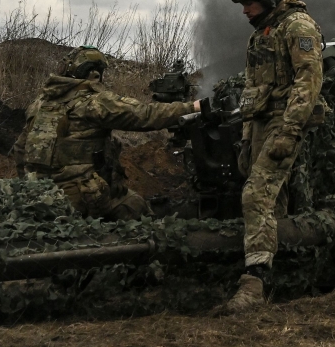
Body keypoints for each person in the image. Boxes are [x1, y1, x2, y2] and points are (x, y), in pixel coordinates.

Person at [222, 0, 323, 313]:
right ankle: (286, 275)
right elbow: (253, 91)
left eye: (249, 3)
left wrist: (290, 131)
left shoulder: (297, 27)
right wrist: (246, 139)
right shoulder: (261, 34)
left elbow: (308, 81)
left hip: (284, 123)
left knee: (256, 194)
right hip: (261, 126)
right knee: (273, 203)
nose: (245, 11)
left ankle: (254, 284)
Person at [11, 46, 201, 220]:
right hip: (78, 198)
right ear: (94, 73)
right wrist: (192, 107)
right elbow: (145, 115)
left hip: (40, 196)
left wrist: (31, 187)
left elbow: (20, 150)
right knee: (135, 206)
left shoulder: (40, 104)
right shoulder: (92, 103)